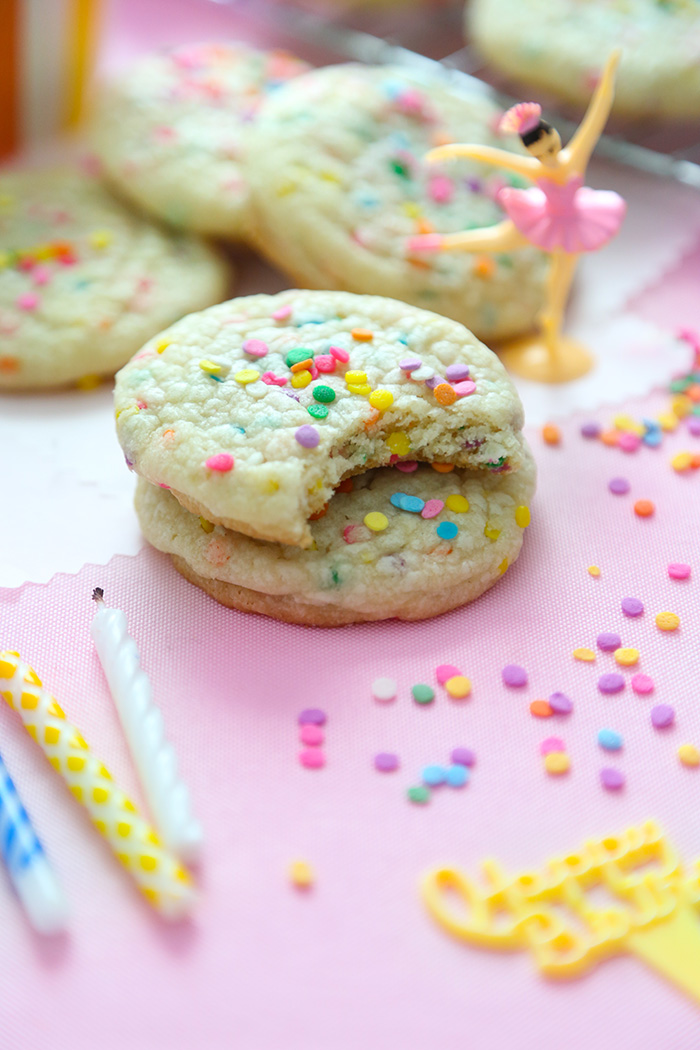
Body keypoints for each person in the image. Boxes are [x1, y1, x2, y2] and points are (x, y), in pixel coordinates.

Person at [409, 50, 626, 380]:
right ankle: (439, 244)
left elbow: (596, 116)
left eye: (551, 145)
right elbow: (491, 155)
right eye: (541, 152)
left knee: (559, 279)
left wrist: (608, 74)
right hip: (542, 217)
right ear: (531, 152)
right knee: (497, 239)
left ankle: (551, 323)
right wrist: (452, 150)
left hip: (573, 223)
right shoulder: (532, 166)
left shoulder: (573, 155)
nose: (550, 155)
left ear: (554, 136)